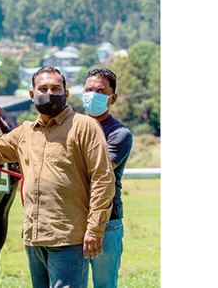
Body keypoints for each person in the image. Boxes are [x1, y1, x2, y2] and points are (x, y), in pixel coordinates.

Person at [0, 66, 115, 288]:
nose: (49, 93)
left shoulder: (85, 127)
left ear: (66, 94)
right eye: (42, 88)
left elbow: (103, 180)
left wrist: (95, 229)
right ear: (32, 96)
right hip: (34, 238)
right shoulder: (24, 132)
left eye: (56, 88)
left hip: (68, 238)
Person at [82, 67, 133, 288]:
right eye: (88, 89)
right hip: (73, 219)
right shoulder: (71, 127)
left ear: (113, 98)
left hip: (107, 223)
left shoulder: (118, 134)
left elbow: (97, 172)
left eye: (100, 91)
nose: (93, 95)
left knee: (104, 284)